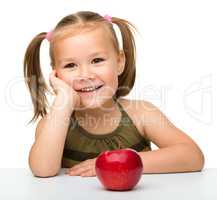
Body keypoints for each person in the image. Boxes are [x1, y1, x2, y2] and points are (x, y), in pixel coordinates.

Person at [23, 11, 204, 178]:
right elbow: (43, 170)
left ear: (119, 62)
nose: (85, 75)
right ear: (56, 74)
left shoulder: (141, 114)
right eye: (70, 65)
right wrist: (62, 102)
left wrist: (115, 163)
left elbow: (192, 156)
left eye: (97, 60)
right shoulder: (54, 122)